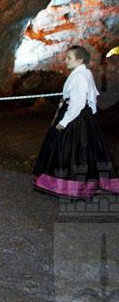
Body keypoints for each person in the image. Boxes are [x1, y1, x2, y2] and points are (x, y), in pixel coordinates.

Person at [34, 46, 118, 198]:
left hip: (75, 118)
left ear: (80, 60)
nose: (65, 60)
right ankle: (86, 183)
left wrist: (64, 121)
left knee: (71, 150)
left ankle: (71, 186)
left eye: (69, 58)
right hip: (80, 116)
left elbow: (78, 103)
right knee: (85, 151)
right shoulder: (83, 73)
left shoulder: (80, 76)